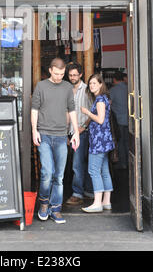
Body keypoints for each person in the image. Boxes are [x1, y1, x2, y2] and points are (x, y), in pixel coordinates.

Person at [31, 57, 80, 224]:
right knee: (47, 173)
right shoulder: (41, 86)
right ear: (50, 70)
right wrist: (34, 130)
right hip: (44, 134)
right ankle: (43, 204)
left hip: (61, 136)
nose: (60, 77)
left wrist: (76, 132)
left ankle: (56, 209)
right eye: (57, 73)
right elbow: (34, 110)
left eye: (62, 74)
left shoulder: (67, 87)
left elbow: (72, 110)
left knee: (58, 176)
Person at [81, 74, 115, 213]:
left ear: (101, 84)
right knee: (104, 170)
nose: (92, 86)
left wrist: (87, 112)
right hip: (104, 140)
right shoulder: (103, 98)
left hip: (99, 141)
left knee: (94, 170)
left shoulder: (100, 100)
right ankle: (106, 201)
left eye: (95, 83)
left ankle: (97, 203)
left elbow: (100, 120)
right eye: (90, 84)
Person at [65, 63, 93, 206]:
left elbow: (92, 111)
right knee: (79, 162)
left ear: (81, 75)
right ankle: (88, 191)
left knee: (77, 163)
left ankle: (77, 193)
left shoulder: (87, 90)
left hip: (82, 132)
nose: (73, 77)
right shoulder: (67, 89)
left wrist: (82, 128)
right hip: (69, 131)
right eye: (70, 75)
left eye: (75, 75)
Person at [109, 71, 129, 169]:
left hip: (119, 120)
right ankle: (129, 163)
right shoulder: (128, 88)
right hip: (130, 120)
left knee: (120, 142)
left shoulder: (113, 90)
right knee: (128, 142)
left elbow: (108, 103)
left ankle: (123, 163)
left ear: (114, 80)